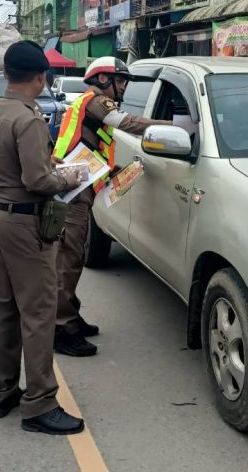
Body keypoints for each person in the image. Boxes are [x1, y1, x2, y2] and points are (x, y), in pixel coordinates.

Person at [0, 40, 85, 436]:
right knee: (38, 312)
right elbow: (38, 181)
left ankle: (3, 391)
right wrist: (69, 176)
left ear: (6, 74)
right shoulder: (30, 120)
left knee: (6, 307)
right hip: (26, 224)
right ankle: (39, 403)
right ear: (40, 78)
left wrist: (42, 162)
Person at [51, 56, 170, 357]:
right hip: (72, 192)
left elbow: (91, 146)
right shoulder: (96, 100)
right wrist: (173, 125)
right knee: (69, 260)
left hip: (79, 186)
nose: (123, 88)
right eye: (120, 81)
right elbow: (127, 123)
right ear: (102, 79)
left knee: (73, 258)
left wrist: (113, 172)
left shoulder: (90, 106)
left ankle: (70, 315)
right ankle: (60, 328)